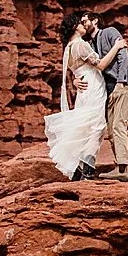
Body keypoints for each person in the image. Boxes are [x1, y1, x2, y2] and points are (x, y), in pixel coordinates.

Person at [44, 16, 108, 179]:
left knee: (85, 127)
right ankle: (87, 168)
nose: (83, 26)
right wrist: (117, 47)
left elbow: (76, 70)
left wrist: (75, 79)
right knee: (97, 125)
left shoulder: (69, 48)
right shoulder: (80, 44)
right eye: (80, 23)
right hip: (93, 86)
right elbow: (100, 65)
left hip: (83, 90)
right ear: (74, 27)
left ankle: (80, 168)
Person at [89, 13, 128, 176]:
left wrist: (121, 81)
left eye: (84, 20)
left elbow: (123, 55)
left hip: (122, 85)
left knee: (118, 125)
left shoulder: (109, 32)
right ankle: (122, 168)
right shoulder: (89, 44)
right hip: (108, 91)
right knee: (111, 130)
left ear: (94, 20)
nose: (82, 24)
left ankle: (122, 168)